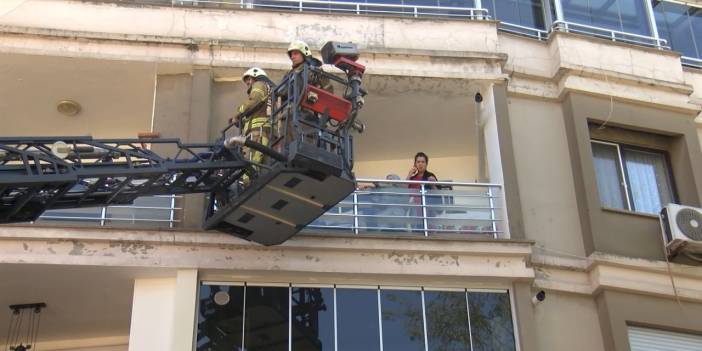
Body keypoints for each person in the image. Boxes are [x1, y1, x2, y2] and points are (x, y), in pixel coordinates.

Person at [276, 40, 334, 150]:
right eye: (291, 54)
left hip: (306, 114)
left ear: (304, 54)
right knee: (287, 147)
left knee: (305, 144)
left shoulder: (314, 70)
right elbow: (281, 91)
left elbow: (328, 90)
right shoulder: (289, 75)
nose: (292, 57)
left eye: (296, 53)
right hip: (287, 114)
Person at [233, 67, 272, 166]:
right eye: (246, 81)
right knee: (254, 162)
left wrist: (238, 113)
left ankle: (248, 181)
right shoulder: (267, 90)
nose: (247, 83)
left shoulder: (259, 84)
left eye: (249, 79)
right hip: (260, 131)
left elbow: (254, 100)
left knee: (251, 164)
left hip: (258, 132)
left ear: (257, 77)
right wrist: (240, 121)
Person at [407, 152, 438, 230]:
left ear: (426, 164)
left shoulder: (430, 176)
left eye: (423, 162)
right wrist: (409, 174)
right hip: (413, 208)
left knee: (428, 230)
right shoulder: (412, 178)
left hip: (426, 208)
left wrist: (433, 184)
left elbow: (437, 193)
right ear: (415, 164)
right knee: (415, 231)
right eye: (418, 162)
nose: (420, 164)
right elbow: (404, 188)